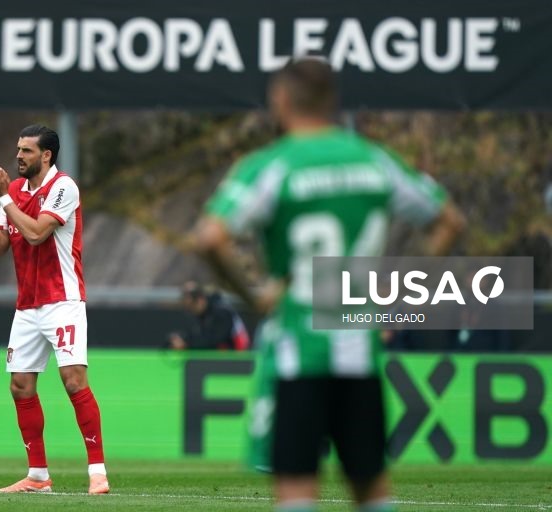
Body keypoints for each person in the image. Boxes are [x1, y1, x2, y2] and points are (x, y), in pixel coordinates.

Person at [193, 58, 465, 512]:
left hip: (300, 352)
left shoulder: (272, 165)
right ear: (332, 102)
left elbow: (210, 236)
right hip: (359, 349)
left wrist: (256, 294)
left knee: (297, 488)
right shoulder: (373, 160)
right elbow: (449, 220)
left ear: (280, 100)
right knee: (371, 488)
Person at [0, 124, 109, 494]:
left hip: (63, 301)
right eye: (18, 149)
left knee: (73, 380)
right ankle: (38, 476)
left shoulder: (63, 187)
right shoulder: (13, 191)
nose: (19, 156)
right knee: (20, 385)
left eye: (27, 151)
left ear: (46, 155)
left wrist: (4, 200)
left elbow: (35, 234)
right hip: (28, 306)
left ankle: (97, 471)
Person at [168, 281, 251, 350]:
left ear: (200, 300)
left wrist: (186, 344)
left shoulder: (222, 312)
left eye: (191, 306)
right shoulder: (204, 315)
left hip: (238, 361)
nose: (190, 311)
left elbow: (214, 340)